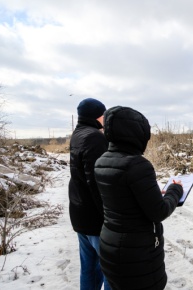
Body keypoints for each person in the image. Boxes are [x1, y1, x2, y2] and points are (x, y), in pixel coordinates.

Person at [94, 106, 183, 290]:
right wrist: (175, 190)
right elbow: (158, 212)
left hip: (110, 244)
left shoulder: (101, 161)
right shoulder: (137, 165)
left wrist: (151, 193)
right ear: (136, 133)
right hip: (136, 254)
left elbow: (125, 198)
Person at [68, 98, 111, 290]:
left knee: (89, 269)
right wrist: (108, 216)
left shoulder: (78, 134)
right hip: (95, 218)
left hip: (80, 213)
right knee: (111, 270)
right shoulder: (94, 137)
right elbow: (96, 181)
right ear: (98, 116)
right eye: (104, 114)